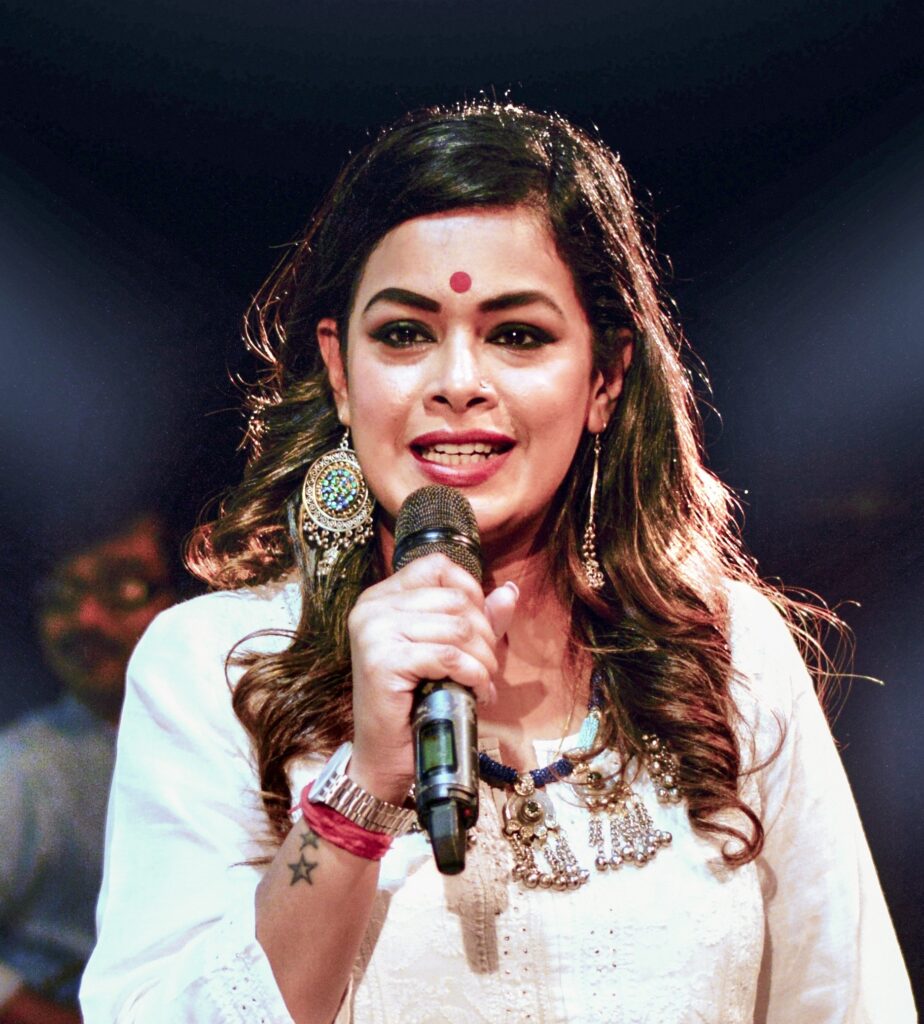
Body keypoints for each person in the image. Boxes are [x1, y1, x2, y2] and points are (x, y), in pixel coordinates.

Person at [81, 102, 914, 1024]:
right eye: (404, 333)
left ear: (605, 379)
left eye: (517, 334)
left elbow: (849, 1002)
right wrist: (362, 787)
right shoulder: (217, 668)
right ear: (341, 373)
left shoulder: (724, 655)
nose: (457, 382)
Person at [0, 515, 176, 1024]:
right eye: (61, 594)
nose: (87, 618)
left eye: (124, 588)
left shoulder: (241, 738)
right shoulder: (26, 766)